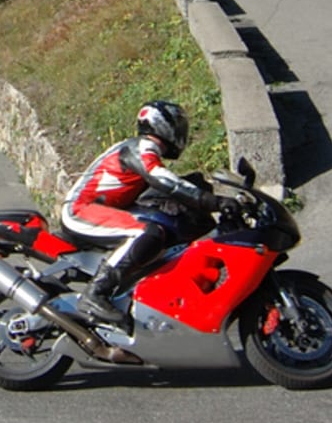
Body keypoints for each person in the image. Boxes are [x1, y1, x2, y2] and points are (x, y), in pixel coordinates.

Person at [59, 99, 226, 328]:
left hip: (104, 209)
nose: (181, 131)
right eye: (177, 124)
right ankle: (95, 295)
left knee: (160, 226)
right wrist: (211, 202)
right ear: (162, 124)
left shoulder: (140, 147)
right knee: (147, 233)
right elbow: (163, 180)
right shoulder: (141, 147)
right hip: (81, 210)